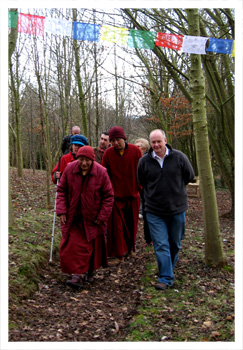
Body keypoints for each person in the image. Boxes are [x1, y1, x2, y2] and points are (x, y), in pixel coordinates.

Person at [137, 129, 195, 290]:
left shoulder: (179, 157)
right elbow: (141, 180)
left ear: (165, 140)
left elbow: (189, 176)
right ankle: (165, 277)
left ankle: (167, 267)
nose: (156, 145)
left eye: (159, 141)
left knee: (175, 243)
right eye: (153, 142)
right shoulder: (144, 161)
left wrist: (175, 189)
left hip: (177, 209)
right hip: (154, 211)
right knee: (161, 244)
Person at [56, 146, 114, 288]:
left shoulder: (101, 172)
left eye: (87, 160)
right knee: (74, 246)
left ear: (92, 160)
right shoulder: (70, 169)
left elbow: (108, 196)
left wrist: (102, 215)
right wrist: (62, 211)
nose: (84, 163)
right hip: (73, 217)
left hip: (93, 219)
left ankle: (88, 271)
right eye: (81, 160)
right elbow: (61, 190)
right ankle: (77, 275)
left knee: (92, 245)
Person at [101, 126, 143, 265]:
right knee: (116, 227)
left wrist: (139, 188)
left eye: (118, 140)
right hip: (115, 197)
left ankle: (130, 248)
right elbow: (104, 174)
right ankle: (118, 254)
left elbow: (142, 171)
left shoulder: (135, 151)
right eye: (112, 141)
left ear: (123, 138)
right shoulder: (108, 154)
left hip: (132, 195)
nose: (115, 143)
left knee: (131, 225)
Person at [135, 138, 152, 246]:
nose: (136, 148)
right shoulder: (135, 158)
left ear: (145, 148)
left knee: (148, 213)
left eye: (138, 146)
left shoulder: (148, 159)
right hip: (138, 189)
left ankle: (150, 238)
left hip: (147, 190)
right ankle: (148, 238)